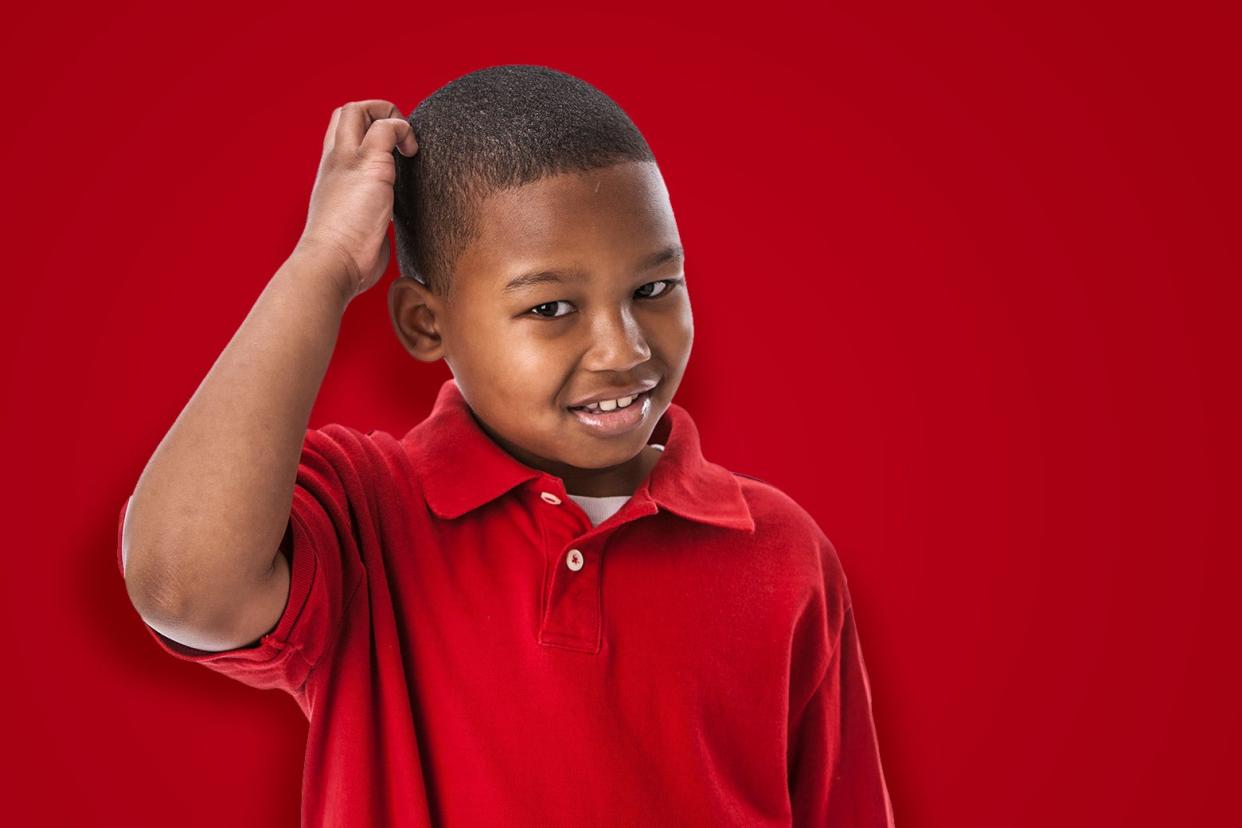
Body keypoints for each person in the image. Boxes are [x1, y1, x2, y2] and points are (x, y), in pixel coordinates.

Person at [116, 64, 895, 826]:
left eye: (654, 290)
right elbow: (183, 585)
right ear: (427, 324)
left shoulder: (781, 552)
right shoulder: (367, 516)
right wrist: (321, 263)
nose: (622, 350)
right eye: (553, 306)